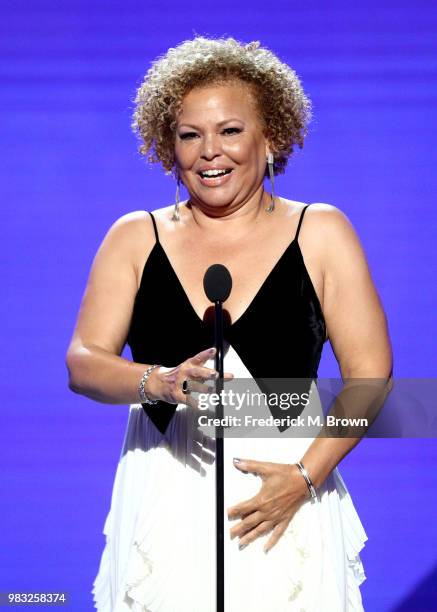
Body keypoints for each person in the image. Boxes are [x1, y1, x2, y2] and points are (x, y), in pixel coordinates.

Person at [66, 36, 393, 611]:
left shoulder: (320, 231)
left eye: (230, 131)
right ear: (168, 146)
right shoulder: (134, 237)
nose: (209, 152)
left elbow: (370, 377)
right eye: (190, 135)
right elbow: (84, 362)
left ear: (272, 137)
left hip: (286, 492)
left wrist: (303, 477)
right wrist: (158, 382)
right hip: (167, 494)